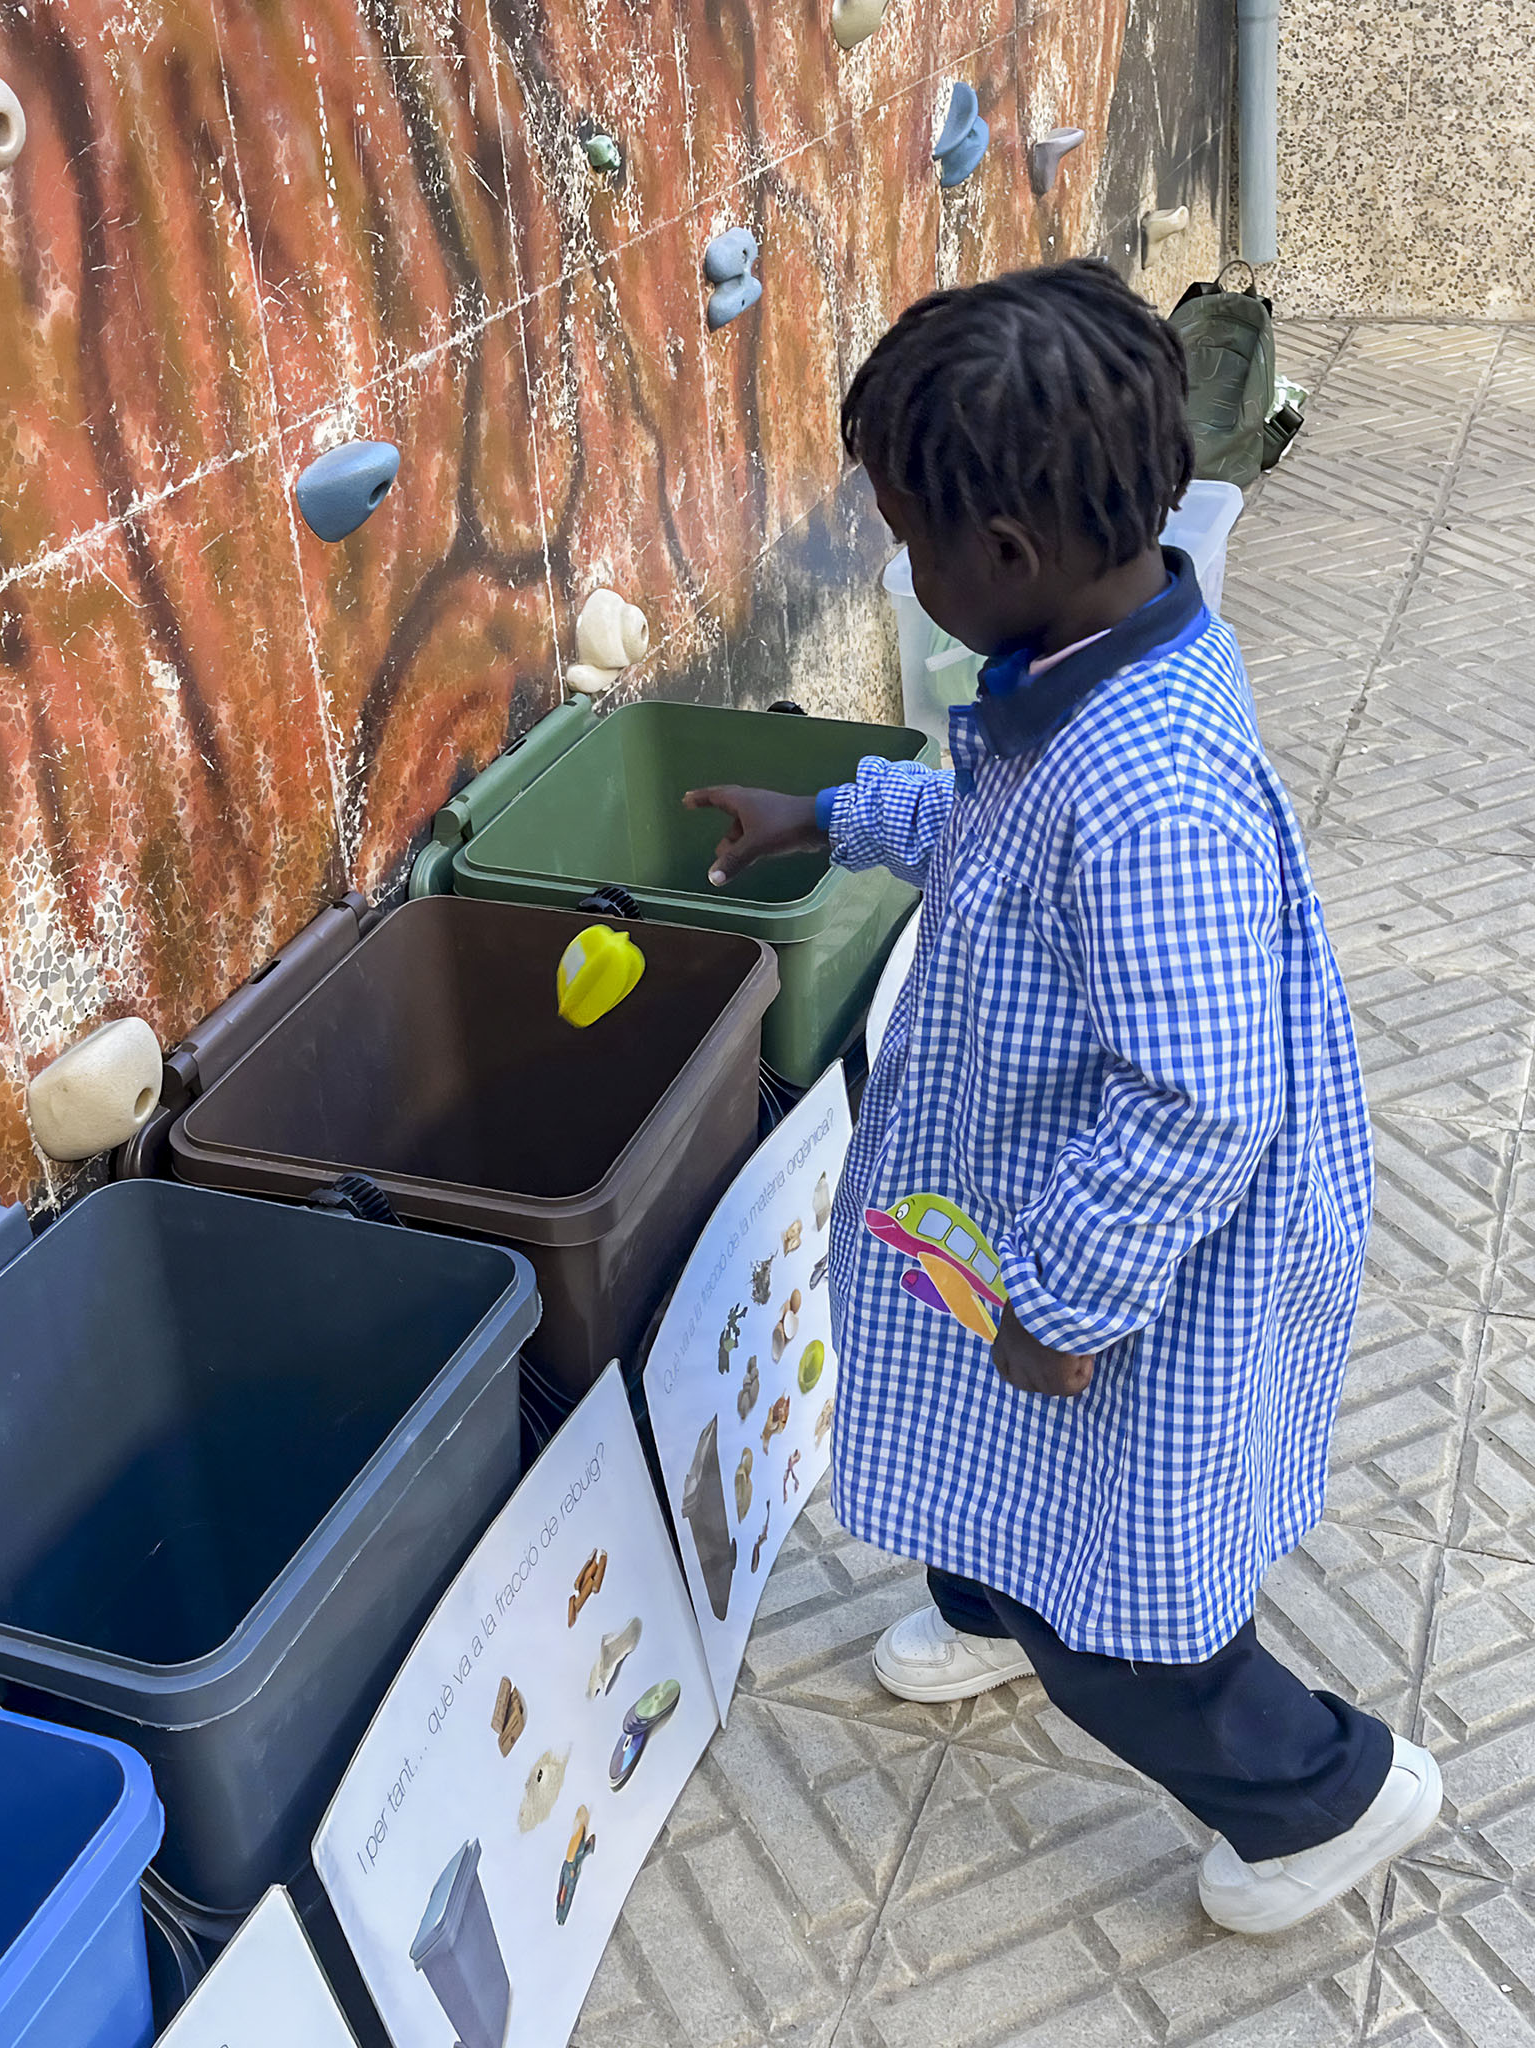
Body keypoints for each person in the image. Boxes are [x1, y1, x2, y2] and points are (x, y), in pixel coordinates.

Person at [685, 260, 1437, 1935]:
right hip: (1012, 1198)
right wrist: (830, 808)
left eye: (908, 535)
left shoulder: (1146, 781)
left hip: (1127, 1259)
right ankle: (990, 1595)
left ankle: (1321, 1793)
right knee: (984, 1433)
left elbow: (1196, 1097)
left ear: (1003, 557)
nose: (903, 563)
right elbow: (982, 827)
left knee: (1125, 1601)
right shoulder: (1087, 656)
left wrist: (1072, 1301)